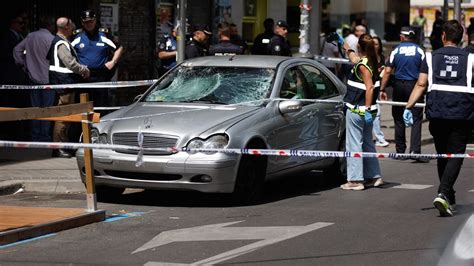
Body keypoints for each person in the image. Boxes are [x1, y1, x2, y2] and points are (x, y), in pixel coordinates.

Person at [404, 20, 474, 217]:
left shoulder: (430, 57)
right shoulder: (471, 58)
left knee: (442, 154)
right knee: (455, 155)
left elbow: (421, 83)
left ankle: (448, 197)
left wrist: (408, 107)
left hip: (437, 112)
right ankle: (444, 193)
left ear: (443, 36)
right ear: (462, 39)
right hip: (462, 113)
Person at [340, 34, 383, 191]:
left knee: (354, 144)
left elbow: (369, 87)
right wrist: (345, 46)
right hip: (368, 111)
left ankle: (355, 180)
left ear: (360, 47)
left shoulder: (363, 65)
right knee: (367, 143)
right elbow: (353, 57)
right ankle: (374, 176)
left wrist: (365, 108)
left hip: (358, 110)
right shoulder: (372, 61)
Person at [379, 26, 428, 162]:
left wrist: (382, 89)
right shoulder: (420, 50)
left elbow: (388, 71)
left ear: (402, 37)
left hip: (399, 86)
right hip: (415, 86)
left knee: (399, 118)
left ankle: (400, 151)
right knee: (417, 119)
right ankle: (415, 151)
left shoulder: (396, 50)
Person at [48, 17, 90, 158]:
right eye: (71, 25)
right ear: (66, 27)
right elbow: (70, 63)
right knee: (63, 116)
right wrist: (83, 69)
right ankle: (58, 147)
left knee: (67, 116)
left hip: (66, 83)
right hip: (64, 83)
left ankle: (63, 145)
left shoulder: (62, 41)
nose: (73, 27)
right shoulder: (61, 43)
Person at [13, 16, 56, 142]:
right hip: (48, 79)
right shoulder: (51, 39)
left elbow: (16, 50)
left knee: (35, 109)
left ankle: (35, 135)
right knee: (47, 110)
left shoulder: (31, 36)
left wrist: (23, 65)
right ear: (51, 26)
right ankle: (44, 136)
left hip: (33, 78)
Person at [72, 10, 123, 107]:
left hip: (100, 76)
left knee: (100, 105)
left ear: (95, 21)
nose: (89, 24)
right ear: (82, 22)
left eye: (91, 21)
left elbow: (119, 48)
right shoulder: (77, 35)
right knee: (83, 105)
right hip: (82, 76)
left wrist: (113, 61)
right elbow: (68, 53)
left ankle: (100, 122)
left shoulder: (104, 34)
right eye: (86, 22)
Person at [372, 36, 389, 147]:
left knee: (376, 114)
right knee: (375, 113)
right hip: (369, 88)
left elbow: (384, 75)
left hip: (377, 88)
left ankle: (378, 138)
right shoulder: (367, 58)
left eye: (377, 44)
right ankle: (379, 138)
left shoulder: (382, 58)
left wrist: (383, 90)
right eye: (372, 44)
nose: (374, 46)